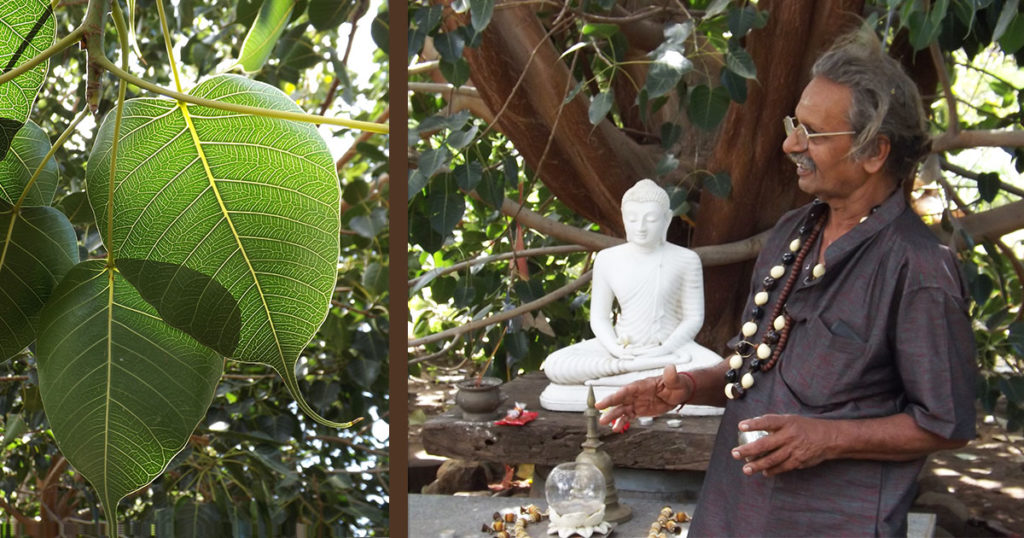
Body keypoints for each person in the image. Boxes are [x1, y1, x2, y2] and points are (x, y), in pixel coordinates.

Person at [596, 26, 977, 536]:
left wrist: (828, 438)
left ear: (873, 152)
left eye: (812, 133)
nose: (790, 142)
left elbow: (945, 423)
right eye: (794, 123)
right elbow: (754, 365)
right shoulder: (790, 235)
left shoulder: (918, 267)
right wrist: (686, 385)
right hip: (733, 512)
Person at [539, 179, 723, 413]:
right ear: (623, 218)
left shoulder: (685, 260)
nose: (641, 227)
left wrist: (664, 350)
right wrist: (616, 351)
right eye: (633, 219)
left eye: (651, 219)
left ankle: (624, 377)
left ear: (667, 219)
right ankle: (639, 372)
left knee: (714, 368)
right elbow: (600, 318)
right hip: (621, 349)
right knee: (556, 365)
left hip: (670, 350)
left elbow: (693, 318)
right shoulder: (607, 259)